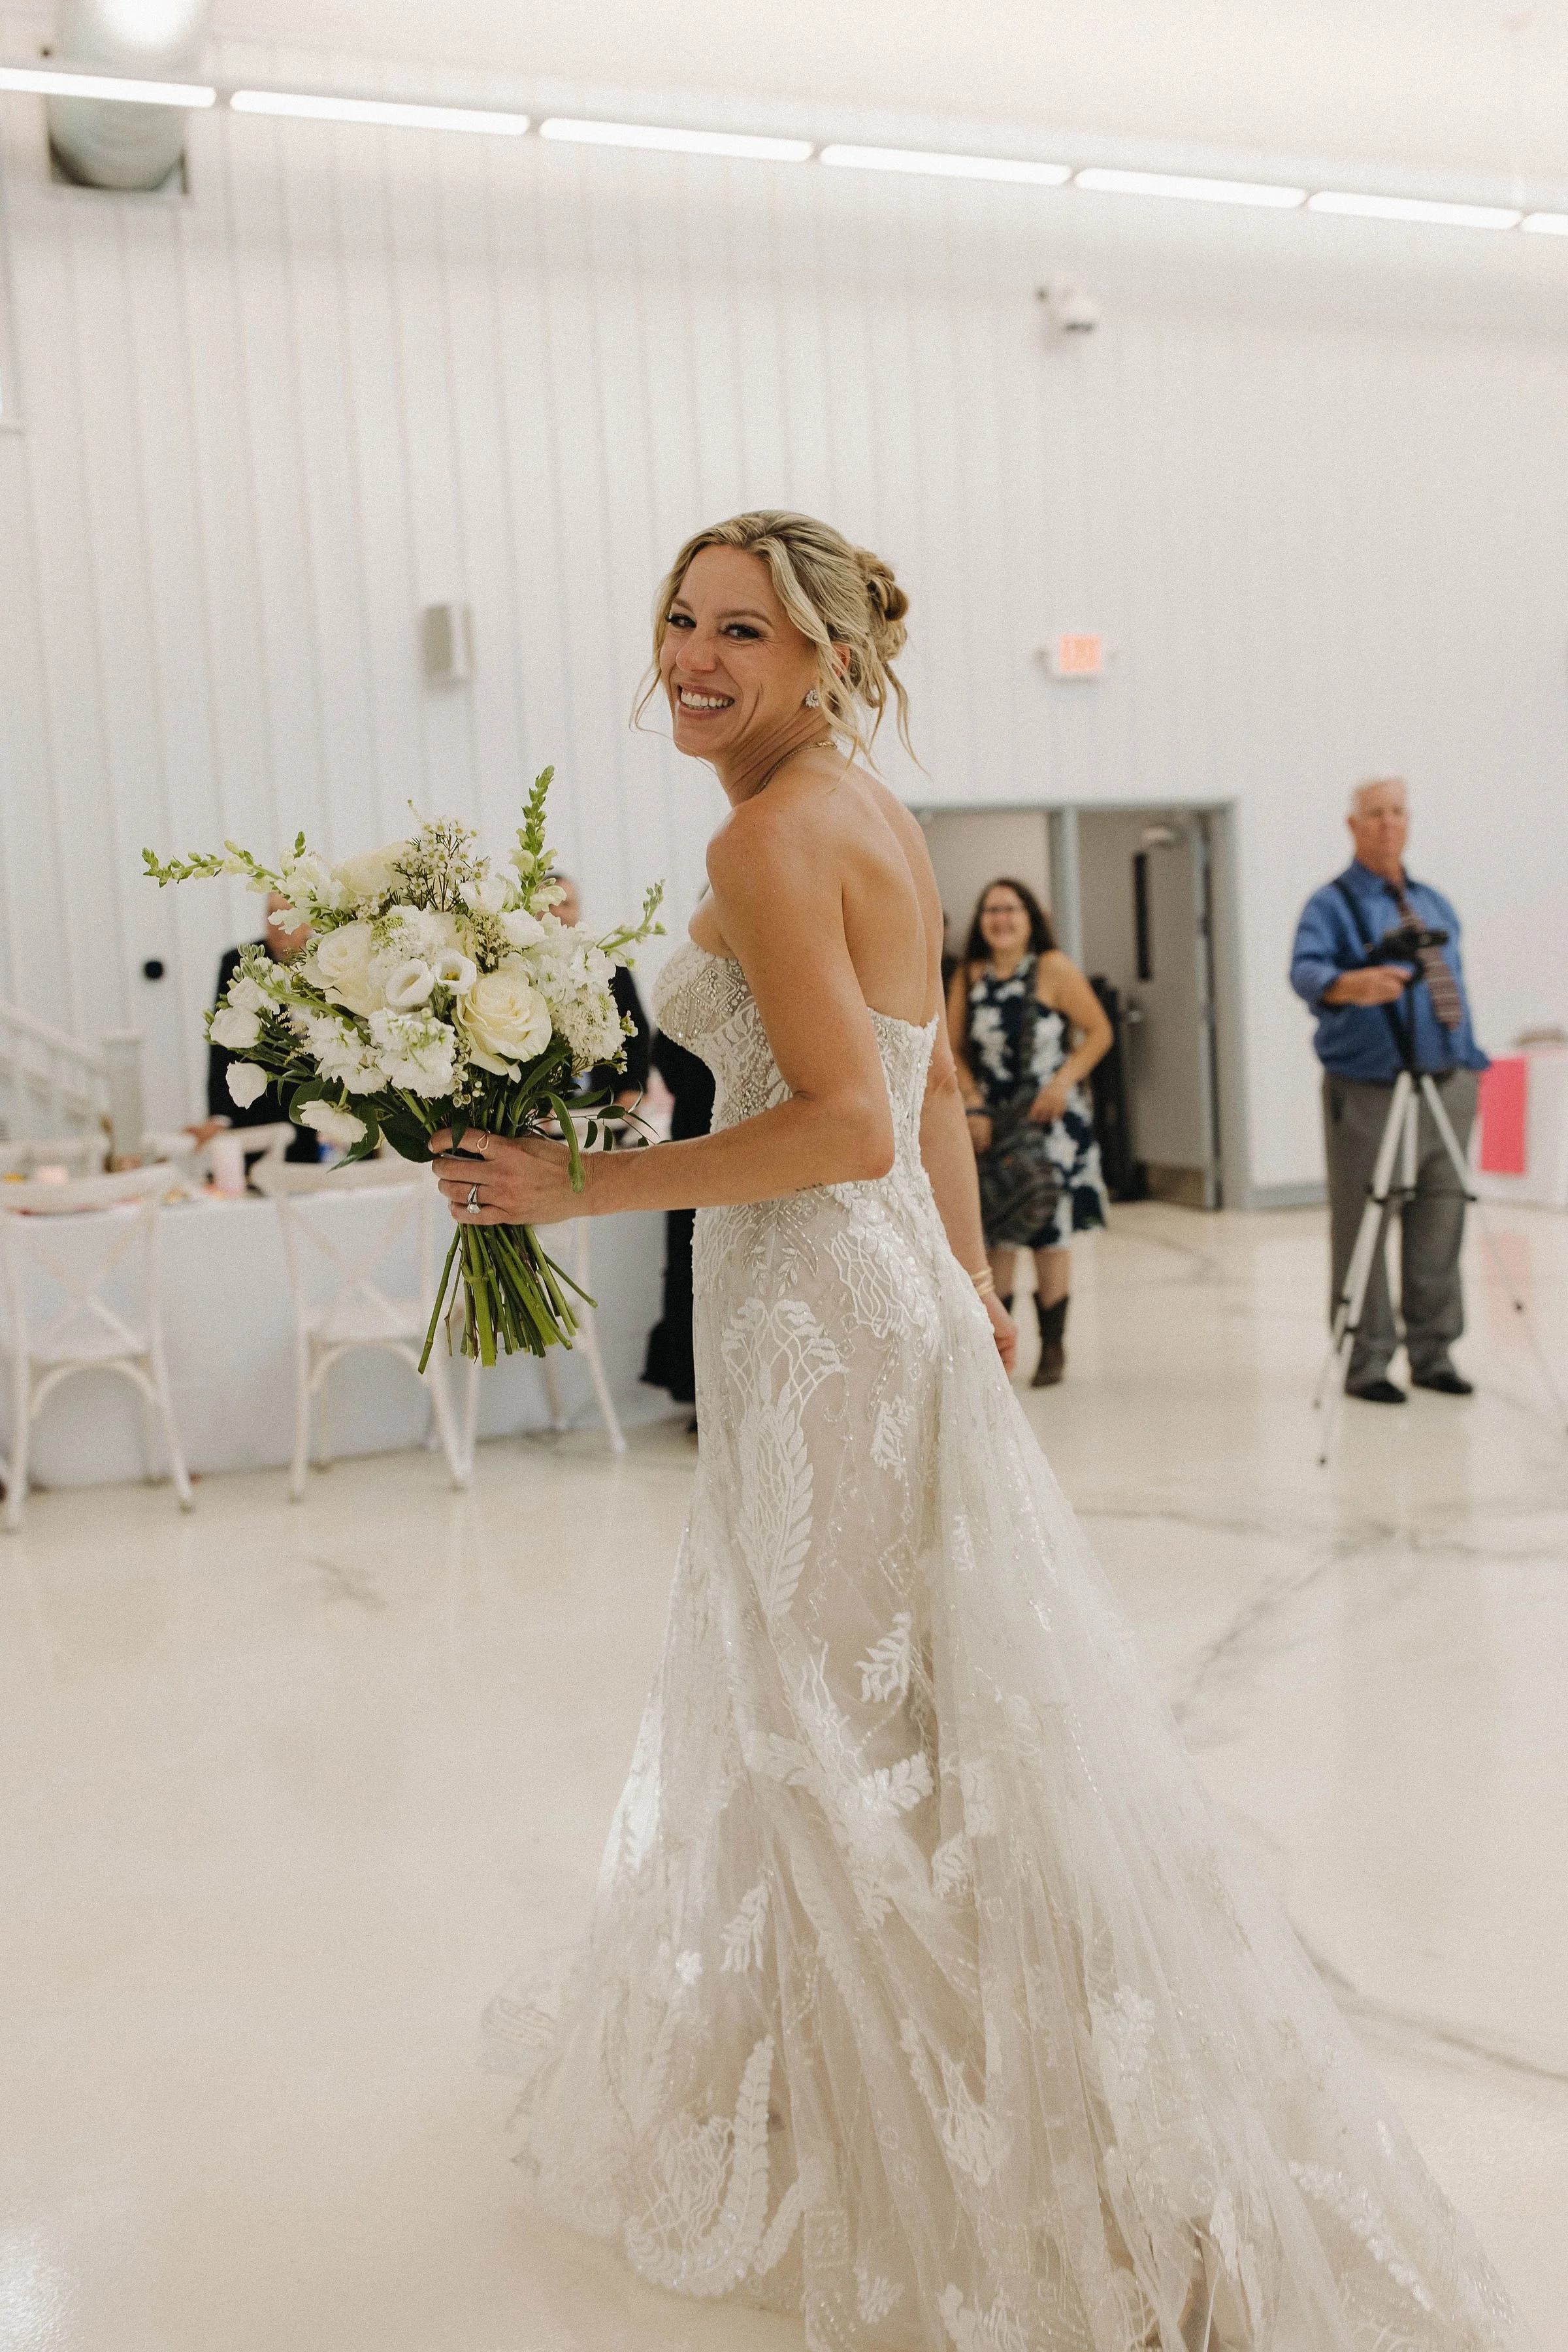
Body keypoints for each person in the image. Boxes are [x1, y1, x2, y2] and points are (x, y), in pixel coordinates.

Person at [437, 516, 1524, 2347]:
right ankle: (918, 2059)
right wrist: (968, 1280)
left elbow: (849, 1118)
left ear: (829, 658)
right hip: (882, 1307)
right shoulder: (867, 807)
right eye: (680, 621)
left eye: (744, 632)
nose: (695, 657)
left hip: (808, 1299)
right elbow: (924, 1083)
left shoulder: (767, 833)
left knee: (835, 1724)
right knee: (909, 1714)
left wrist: (575, 1188)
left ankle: (956, 2120)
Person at [1290, 778, 1488, 1404]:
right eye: (1374, 814)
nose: (1387, 824)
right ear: (1353, 825)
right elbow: (1306, 972)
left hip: (1448, 1083)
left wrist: (1472, 1060)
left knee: (1441, 1217)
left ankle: (1435, 1352)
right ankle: (1367, 1360)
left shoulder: (1435, 901)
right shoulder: (1332, 904)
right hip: (1370, 1089)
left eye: (1397, 812)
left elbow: (1455, 982)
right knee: (1365, 1223)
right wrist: (1352, 985)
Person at [951, 877, 1111, 1386]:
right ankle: (1000, 1345)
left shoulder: (1053, 968)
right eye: (991, 910)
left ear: (1030, 918)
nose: (1001, 919)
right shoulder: (969, 976)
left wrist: (1064, 1081)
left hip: (1051, 1121)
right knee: (997, 1227)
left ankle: (1054, 1349)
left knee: (1049, 1232)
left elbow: (1099, 1031)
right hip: (993, 1122)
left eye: (1011, 909)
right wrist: (972, 1103)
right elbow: (951, 1049)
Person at [188, 890, 320, 1164]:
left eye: (286, 916)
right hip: (260, 1108)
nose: (276, 924)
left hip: (321, 1108)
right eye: (270, 914)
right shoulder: (239, 963)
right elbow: (223, 1044)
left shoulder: (328, 962)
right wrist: (220, 1116)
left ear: (309, 921)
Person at [639, 1021, 715, 1416]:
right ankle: (697, 1387)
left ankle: (701, 1390)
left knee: (695, 1267)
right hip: (694, 1134)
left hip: (704, 1132)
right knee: (690, 1268)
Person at [551, 873, 651, 1122]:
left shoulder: (610, 964)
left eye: (565, 904)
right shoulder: (522, 973)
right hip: (546, 1117)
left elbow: (637, 1031)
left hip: (608, 1108)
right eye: (548, 905)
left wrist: (633, 1091)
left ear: (578, 911)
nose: (557, 913)